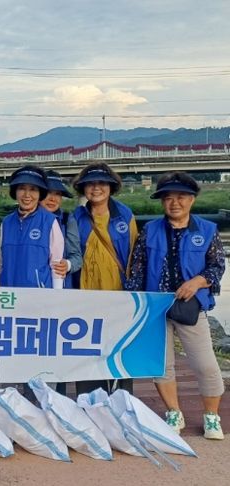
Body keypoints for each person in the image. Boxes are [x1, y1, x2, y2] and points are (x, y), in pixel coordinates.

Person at [125, 172, 225, 440]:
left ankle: (211, 416)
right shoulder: (150, 230)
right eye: (168, 198)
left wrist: (198, 282)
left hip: (191, 306)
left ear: (192, 200)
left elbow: (217, 266)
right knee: (162, 364)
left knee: (205, 364)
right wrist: (134, 303)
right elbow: (138, 269)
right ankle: (173, 412)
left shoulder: (207, 230)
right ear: (162, 202)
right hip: (155, 307)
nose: (174, 203)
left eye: (181, 197)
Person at [72, 162, 137, 395]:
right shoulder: (76, 217)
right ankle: (90, 403)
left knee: (119, 351)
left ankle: (122, 401)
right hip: (86, 296)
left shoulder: (124, 215)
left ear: (111, 187)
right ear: (83, 188)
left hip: (118, 295)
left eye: (102, 183)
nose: (96, 188)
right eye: (90, 184)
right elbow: (71, 254)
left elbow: (135, 255)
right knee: (87, 351)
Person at [0, 165, 64, 290]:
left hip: (38, 295)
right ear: (15, 191)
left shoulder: (49, 221)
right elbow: (2, 261)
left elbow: (56, 265)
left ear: (40, 193)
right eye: (22, 188)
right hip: (10, 293)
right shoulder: (6, 222)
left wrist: (57, 296)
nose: (27, 195)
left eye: (33, 189)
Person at [39, 170, 83, 288]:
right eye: (48, 192)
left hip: (61, 286)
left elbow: (77, 257)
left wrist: (67, 265)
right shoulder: (25, 219)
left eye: (58, 194)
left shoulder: (67, 220)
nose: (53, 199)